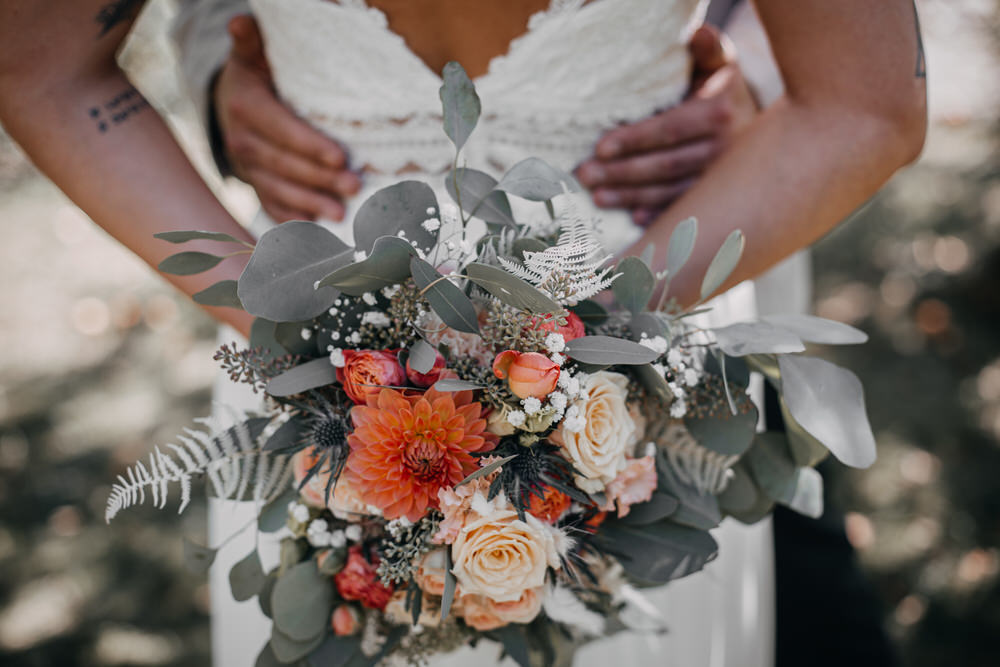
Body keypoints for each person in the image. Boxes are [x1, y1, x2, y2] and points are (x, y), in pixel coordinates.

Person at [0, 1, 926, 665]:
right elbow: (45, 58)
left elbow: (856, 99)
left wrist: (594, 343)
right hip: (338, 377)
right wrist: (297, 337)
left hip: (625, 358)